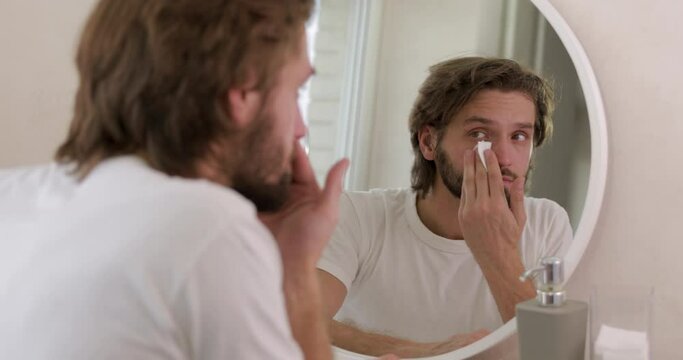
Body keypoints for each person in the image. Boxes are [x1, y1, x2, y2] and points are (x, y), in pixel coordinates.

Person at [0, 1, 349, 359]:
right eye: (295, 92)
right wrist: (298, 268)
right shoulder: (208, 225)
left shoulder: (11, 193)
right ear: (243, 92)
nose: (301, 128)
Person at [317, 57, 573, 358]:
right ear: (428, 142)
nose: (504, 157)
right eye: (480, 134)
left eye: (519, 136)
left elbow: (557, 353)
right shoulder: (359, 215)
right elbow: (300, 321)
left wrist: (500, 255)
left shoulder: (548, 223)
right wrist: (427, 353)